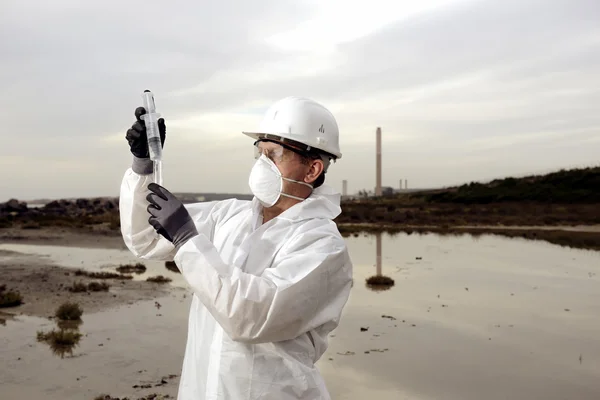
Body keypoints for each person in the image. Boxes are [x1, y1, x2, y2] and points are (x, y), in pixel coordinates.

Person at [119, 96, 354, 399]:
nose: (262, 164)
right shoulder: (229, 216)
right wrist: (143, 165)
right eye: (260, 153)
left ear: (312, 170)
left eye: (274, 154)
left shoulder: (323, 247)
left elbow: (250, 317)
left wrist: (188, 240)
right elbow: (145, 238)